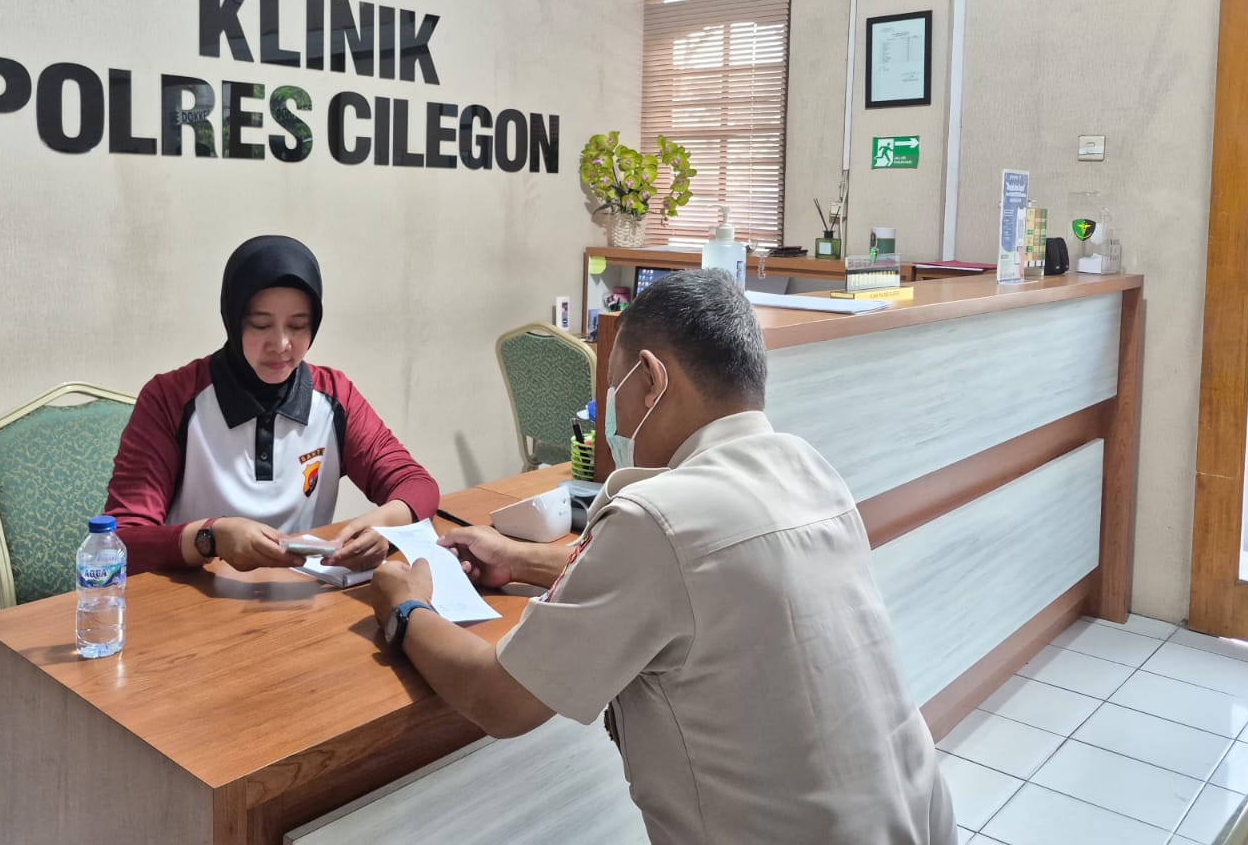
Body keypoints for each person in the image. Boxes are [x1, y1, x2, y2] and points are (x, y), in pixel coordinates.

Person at [370, 268, 954, 844]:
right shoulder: (809, 470)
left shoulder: (657, 517)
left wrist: (407, 606)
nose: (612, 420)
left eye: (612, 392)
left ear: (650, 379)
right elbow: (701, 582)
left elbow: (498, 700)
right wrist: (520, 561)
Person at [104, 235, 439, 574]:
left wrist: (385, 526)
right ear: (233, 319)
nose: (280, 344)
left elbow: (418, 485)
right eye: (260, 324)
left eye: (298, 326)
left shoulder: (335, 396)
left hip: (306, 592)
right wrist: (211, 538)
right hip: (189, 596)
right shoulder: (170, 398)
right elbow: (122, 540)